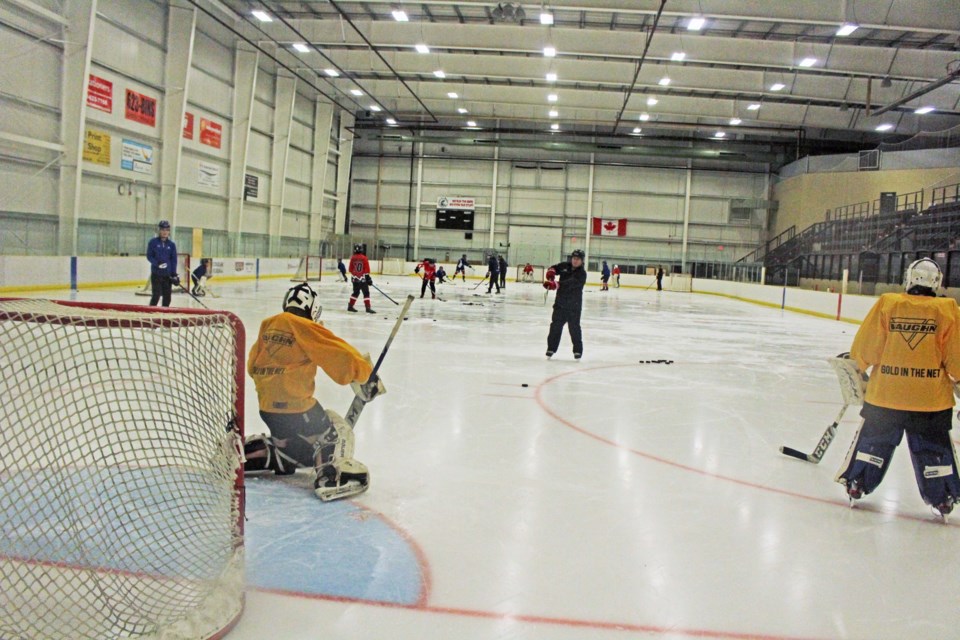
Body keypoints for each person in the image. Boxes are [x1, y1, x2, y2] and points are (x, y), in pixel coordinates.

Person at [835, 258, 960, 519]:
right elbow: (956, 358)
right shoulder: (948, 310)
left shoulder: (888, 304)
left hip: (886, 398)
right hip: (931, 402)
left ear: (908, 278)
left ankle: (858, 482)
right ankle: (942, 497)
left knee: (874, 443)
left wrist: (857, 363)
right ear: (937, 283)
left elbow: (867, 347)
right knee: (933, 450)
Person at [244, 283, 384, 501]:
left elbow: (251, 367)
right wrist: (367, 374)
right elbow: (339, 354)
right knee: (336, 429)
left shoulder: (268, 325)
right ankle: (330, 475)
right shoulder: (305, 327)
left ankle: (277, 453)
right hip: (298, 410)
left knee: (290, 439)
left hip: (268, 411)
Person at [544, 249, 587, 360]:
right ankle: (551, 348)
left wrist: (556, 284)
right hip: (560, 304)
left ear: (582, 261)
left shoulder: (582, 274)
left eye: (578, 259)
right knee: (555, 327)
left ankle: (577, 351)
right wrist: (551, 272)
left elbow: (571, 283)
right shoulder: (565, 266)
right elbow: (554, 268)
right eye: (574, 258)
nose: (575, 261)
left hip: (574, 306)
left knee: (574, 328)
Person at [146, 220, 179, 307]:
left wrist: (174, 274)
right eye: (163, 229)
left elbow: (174, 260)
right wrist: (157, 263)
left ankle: (164, 316)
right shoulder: (153, 242)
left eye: (167, 230)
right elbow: (149, 256)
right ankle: (150, 314)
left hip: (167, 276)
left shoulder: (172, 245)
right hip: (156, 274)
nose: (165, 232)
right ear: (159, 230)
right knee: (156, 296)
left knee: (167, 298)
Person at [347, 244, 376, 314]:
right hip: (363, 279)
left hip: (355, 279)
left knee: (355, 293)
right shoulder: (364, 258)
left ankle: (350, 306)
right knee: (366, 293)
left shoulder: (352, 258)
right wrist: (368, 278)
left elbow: (350, 269)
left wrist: (355, 275)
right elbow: (367, 270)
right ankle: (368, 307)